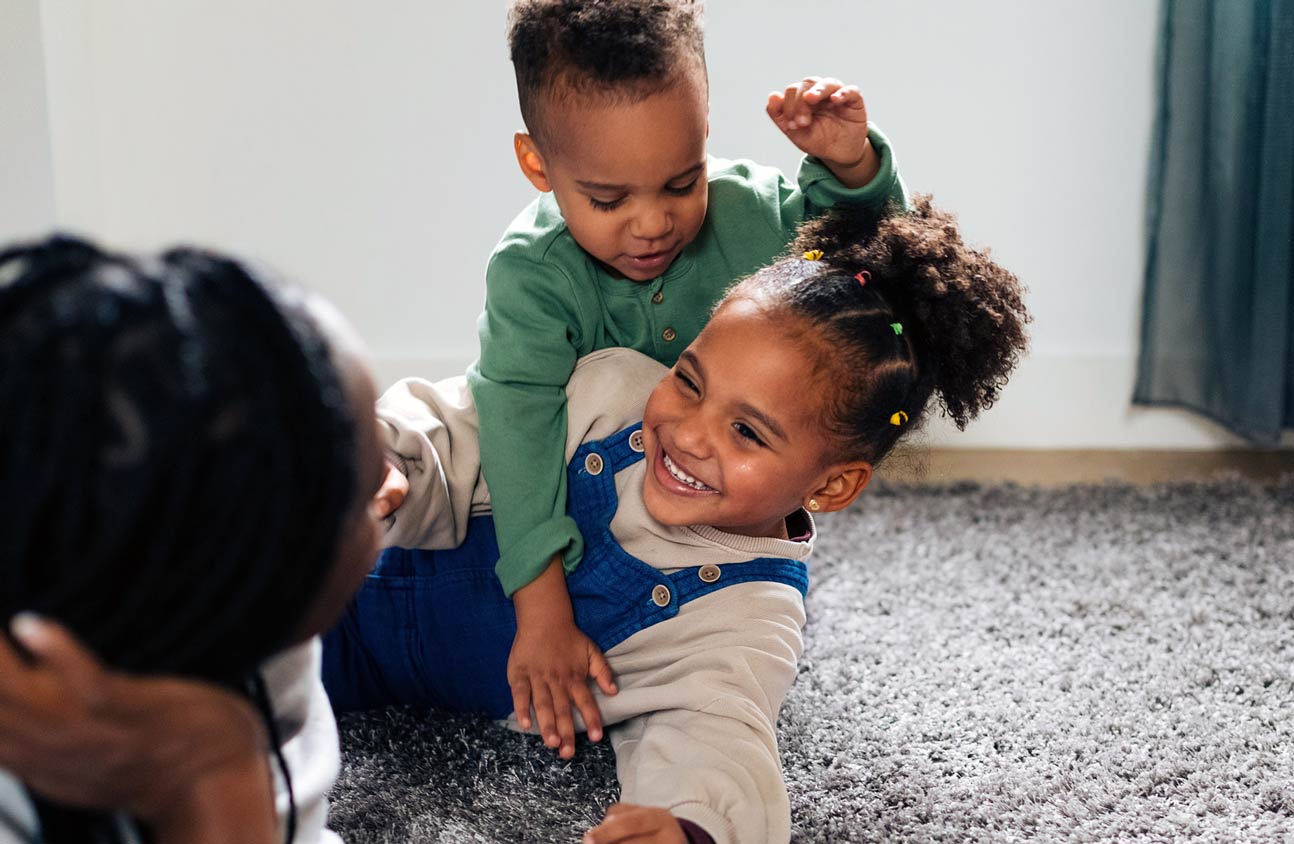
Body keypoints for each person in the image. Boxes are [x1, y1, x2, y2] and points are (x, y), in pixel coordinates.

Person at [326, 198, 1030, 844]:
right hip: (332, 543)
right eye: (690, 381)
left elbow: (717, 733)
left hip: (349, 671)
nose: (690, 433)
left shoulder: (748, 611)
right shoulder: (611, 393)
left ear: (833, 484)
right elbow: (468, 423)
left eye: (749, 434)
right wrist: (385, 456)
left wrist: (689, 827)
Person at [474, 0, 909, 755]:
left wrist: (851, 167)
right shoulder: (531, 274)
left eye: (681, 184)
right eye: (608, 200)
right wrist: (542, 613)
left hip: (722, 512)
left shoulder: (758, 215)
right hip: (598, 506)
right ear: (537, 165)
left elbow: (872, 279)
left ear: (705, 130)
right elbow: (515, 431)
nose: (651, 224)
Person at [0, 236, 400, 843]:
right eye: (368, 487)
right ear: (268, 572)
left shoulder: (264, 647)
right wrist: (204, 772)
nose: (389, 483)